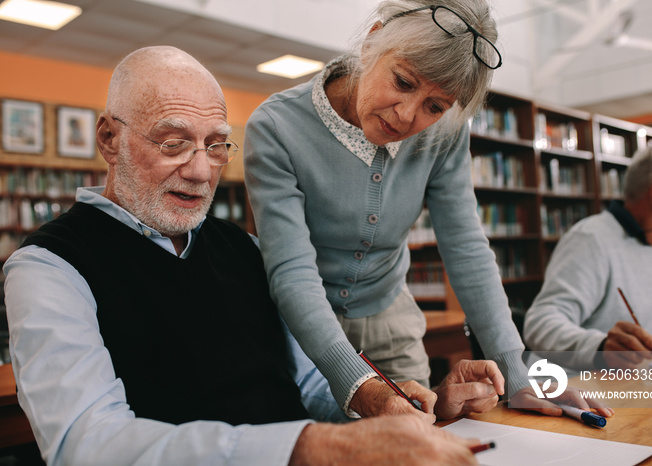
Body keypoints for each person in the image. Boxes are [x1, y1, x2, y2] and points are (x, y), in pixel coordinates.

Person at [4, 45, 514, 466]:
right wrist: (308, 447)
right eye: (175, 142)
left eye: (217, 145)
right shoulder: (49, 268)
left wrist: (406, 410)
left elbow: (315, 382)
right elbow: (86, 445)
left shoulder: (242, 249)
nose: (202, 171)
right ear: (109, 139)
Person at [243, 0, 608, 419]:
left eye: (435, 106)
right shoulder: (276, 126)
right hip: (294, 325)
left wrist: (518, 372)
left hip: (389, 317)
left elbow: (467, 248)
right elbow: (291, 271)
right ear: (372, 41)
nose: (406, 115)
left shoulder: (445, 135)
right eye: (402, 82)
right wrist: (358, 384)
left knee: (425, 432)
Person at [523, 142, 652, 371]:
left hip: (643, 383)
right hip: (577, 388)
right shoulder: (592, 240)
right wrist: (600, 347)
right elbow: (540, 324)